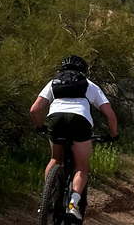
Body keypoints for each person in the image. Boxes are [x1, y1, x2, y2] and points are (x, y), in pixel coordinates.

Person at [30, 55, 118, 220]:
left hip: (56, 119)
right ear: (83, 70)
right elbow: (110, 116)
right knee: (81, 168)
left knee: (55, 159)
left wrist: (40, 127)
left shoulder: (53, 83)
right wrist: (113, 135)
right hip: (79, 120)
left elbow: (34, 110)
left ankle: (47, 199)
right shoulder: (89, 85)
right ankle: (73, 204)